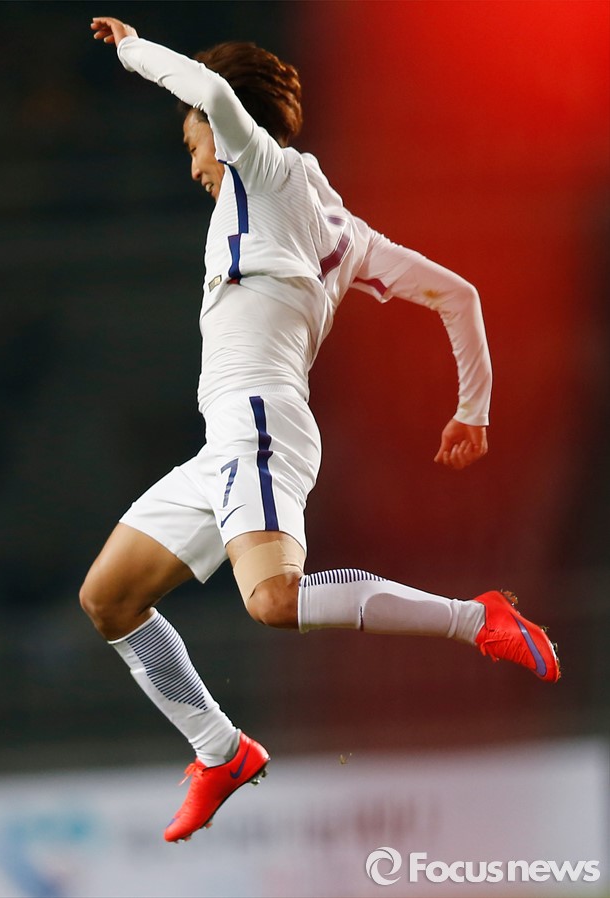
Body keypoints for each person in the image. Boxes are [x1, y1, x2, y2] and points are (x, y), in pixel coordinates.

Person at [82, 16, 560, 844]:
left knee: (273, 599)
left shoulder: (262, 169)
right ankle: (220, 751)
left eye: (194, 143)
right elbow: (459, 296)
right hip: (227, 442)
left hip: (260, 425)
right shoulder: (344, 230)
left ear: (228, 129)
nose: (195, 164)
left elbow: (211, 90)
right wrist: (472, 410)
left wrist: (132, 50)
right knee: (110, 599)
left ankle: (476, 617)